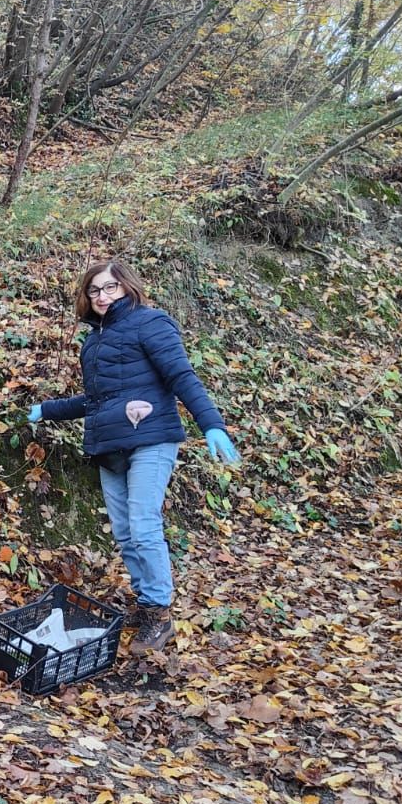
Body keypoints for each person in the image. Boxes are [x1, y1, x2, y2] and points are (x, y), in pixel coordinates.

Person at [28, 260, 240, 653]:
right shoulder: (93, 341)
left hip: (151, 438)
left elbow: (181, 376)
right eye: (94, 290)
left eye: (110, 287)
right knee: (126, 534)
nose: (102, 296)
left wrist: (211, 424)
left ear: (127, 287)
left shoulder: (150, 322)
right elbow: (98, 401)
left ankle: (159, 613)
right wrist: (48, 409)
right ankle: (146, 604)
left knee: (143, 526)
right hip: (109, 445)